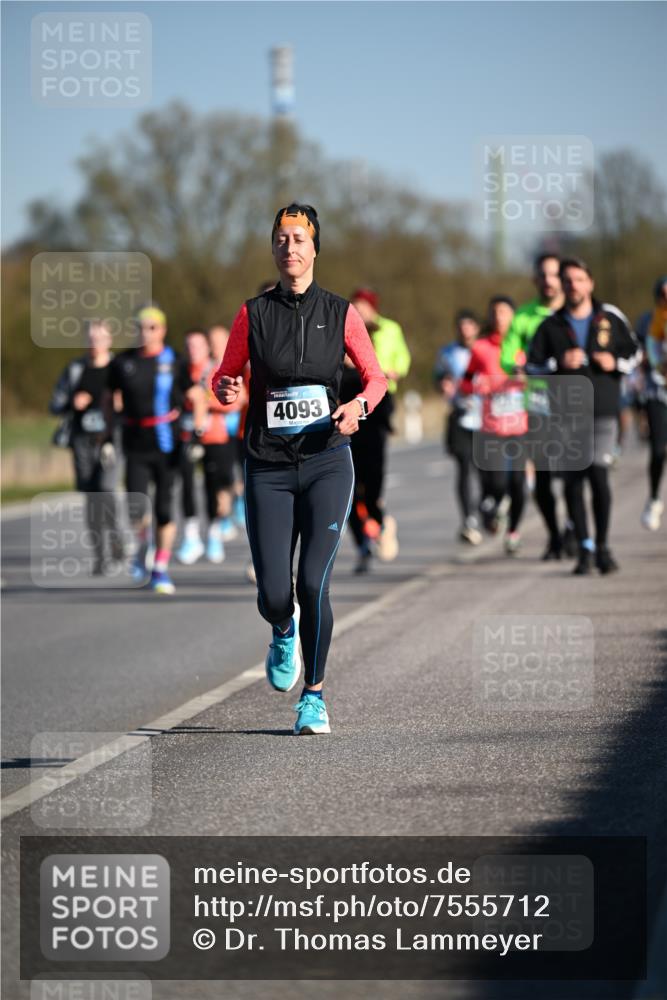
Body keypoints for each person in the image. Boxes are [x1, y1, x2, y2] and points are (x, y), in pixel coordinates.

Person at [213, 203, 387, 734]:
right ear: (274, 249)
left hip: (327, 461)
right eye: (281, 239)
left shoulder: (341, 313)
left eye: (299, 238)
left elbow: (375, 379)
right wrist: (226, 389)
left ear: (315, 248)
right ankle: (281, 628)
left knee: (313, 581)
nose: (290, 247)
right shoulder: (253, 314)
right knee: (273, 592)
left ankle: (313, 696)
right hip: (268, 465)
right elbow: (224, 377)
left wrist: (357, 408)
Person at [527, 258, 640, 574]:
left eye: (578, 279)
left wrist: (614, 361)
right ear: (562, 287)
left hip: (603, 411)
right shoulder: (550, 325)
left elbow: (636, 352)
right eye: (568, 281)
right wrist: (558, 362)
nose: (573, 285)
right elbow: (533, 366)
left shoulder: (610, 317)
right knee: (573, 483)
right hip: (566, 414)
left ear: (590, 283)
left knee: (598, 475)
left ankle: (603, 546)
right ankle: (585, 548)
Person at [108, 305, 206, 594]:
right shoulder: (123, 362)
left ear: (161, 330)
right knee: (137, 508)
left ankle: (160, 567)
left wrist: (197, 433)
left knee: (164, 508)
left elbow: (197, 396)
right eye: (140, 327)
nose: (145, 333)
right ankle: (143, 547)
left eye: (152, 327)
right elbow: (109, 397)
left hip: (168, 443)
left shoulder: (173, 360)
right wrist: (106, 436)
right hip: (135, 441)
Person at [500, 253, 576, 560]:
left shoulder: (575, 312)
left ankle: (575, 529)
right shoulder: (524, 316)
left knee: (574, 471)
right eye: (542, 275)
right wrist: (517, 367)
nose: (548, 280)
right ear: (535, 280)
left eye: (554, 275)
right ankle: (555, 535)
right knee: (543, 477)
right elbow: (508, 356)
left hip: (572, 402)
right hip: (539, 404)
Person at [339, 287, 411, 572]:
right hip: (346, 404)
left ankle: (380, 521)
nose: (360, 312)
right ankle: (362, 545)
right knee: (348, 487)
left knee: (373, 478)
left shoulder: (389, 329)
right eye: (355, 306)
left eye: (363, 307)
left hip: (377, 404)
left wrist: (390, 369)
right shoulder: (339, 328)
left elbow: (401, 360)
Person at [49, 320, 122, 574]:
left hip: (111, 440)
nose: (95, 343)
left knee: (105, 489)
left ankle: (115, 536)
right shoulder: (75, 369)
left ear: (109, 340)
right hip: (81, 441)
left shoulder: (118, 368)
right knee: (92, 498)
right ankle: (100, 556)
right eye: (91, 338)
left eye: (100, 338)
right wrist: (72, 401)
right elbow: (54, 404)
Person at [460, 296, 528, 554]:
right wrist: (476, 386)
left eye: (504, 312)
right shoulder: (480, 348)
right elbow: (466, 382)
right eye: (494, 312)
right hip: (492, 426)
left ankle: (513, 531)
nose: (499, 317)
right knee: (498, 482)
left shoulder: (525, 346)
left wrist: (527, 380)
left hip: (521, 425)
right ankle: (496, 504)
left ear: (514, 316)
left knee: (519, 484)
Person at [176, 328, 247, 565]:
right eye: (189, 346)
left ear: (207, 348)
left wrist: (206, 401)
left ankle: (215, 533)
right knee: (186, 483)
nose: (192, 351)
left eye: (197, 346)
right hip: (187, 436)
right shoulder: (180, 371)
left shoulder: (217, 369)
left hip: (215, 437)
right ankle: (191, 535)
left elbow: (238, 401)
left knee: (214, 487)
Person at [434, 309, 483, 545]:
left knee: (486, 470)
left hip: (487, 416)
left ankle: (487, 507)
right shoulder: (447, 352)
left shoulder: (486, 349)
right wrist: (442, 384)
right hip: (460, 416)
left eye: (469, 326)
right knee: (464, 466)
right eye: (461, 326)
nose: (465, 331)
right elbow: (439, 377)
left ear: (477, 328)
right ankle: (468, 520)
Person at [638, 276, 667, 530]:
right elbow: (638, 351)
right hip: (657, 391)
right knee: (659, 450)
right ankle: (655, 497)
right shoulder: (649, 320)